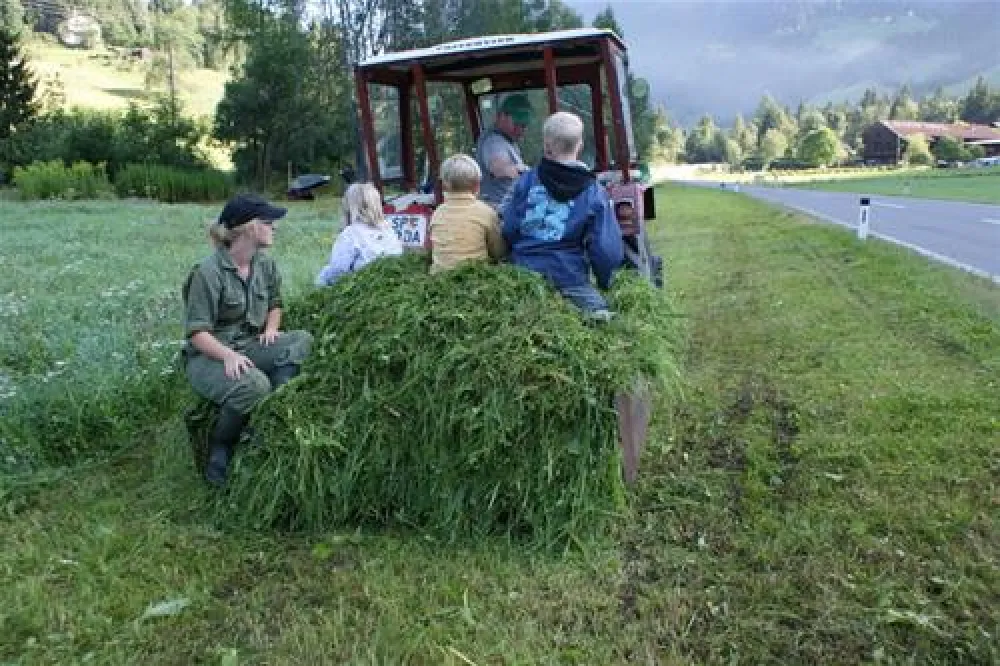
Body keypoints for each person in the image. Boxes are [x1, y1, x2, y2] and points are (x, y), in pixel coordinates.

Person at [182, 193, 313, 486]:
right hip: (209, 355)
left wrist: (271, 328)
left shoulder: (264, 265)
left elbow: (275, 303)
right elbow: (197, 332)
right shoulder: (207, 272)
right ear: (248, 228)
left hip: (251, 345)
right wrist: (227, 356)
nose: (274, 227)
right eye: (268, 222)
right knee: (255, 386)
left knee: (300, 340)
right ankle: (221, 446)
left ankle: (269, 417)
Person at [501, 111, 624, 319]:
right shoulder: (593, 191)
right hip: (569, 278)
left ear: (546, 145)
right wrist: (605, 281)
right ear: (580, 146)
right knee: (603, 318)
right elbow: (605, 249)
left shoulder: (526, 181)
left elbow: (510, 228)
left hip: (522, 277)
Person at [429, 154, 507, 274]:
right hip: (474, 277)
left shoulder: (437, 213)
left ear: (445, 185)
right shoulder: (486, 212)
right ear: (477, 186)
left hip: (440, 276)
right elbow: (498, 251)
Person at [315, 183, 403, 286]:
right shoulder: (389, 230)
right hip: (391, 282)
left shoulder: (351, 234)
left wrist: (321, 280)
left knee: (322, 279)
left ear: (349, 207)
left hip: (363, 286)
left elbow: (338, 268)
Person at [475, 93, 534, 209]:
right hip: (498, 211)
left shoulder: (507, 140)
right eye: (516, 124)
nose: (521, 129)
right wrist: (528, 172)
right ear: (501, 116)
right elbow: (499, 169)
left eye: (524, 125)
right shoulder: (494, 141)